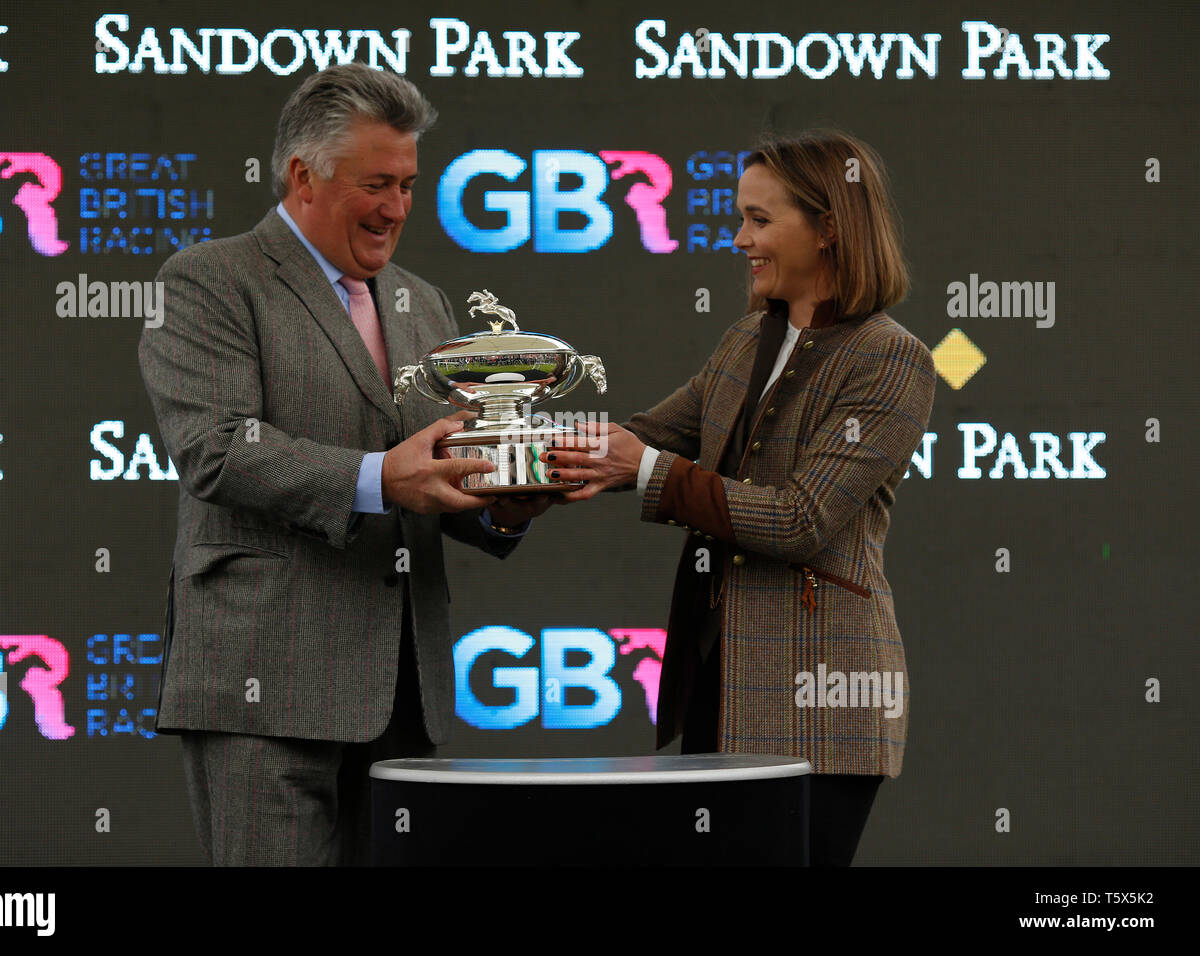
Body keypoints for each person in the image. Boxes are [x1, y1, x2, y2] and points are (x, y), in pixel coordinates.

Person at [137, 64, 552, 866]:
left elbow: (437, 466)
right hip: (267, 690)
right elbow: (216, 449)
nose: (397, 207)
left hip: (405, 693)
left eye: (408, 184)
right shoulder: (207, 281)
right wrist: (378, 478)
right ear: (303, 177)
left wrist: (504, 499)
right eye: (377, 184)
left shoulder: (420, 300)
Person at [542, 130, 936, 866]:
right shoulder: (745, 339)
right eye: (739, 218)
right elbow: (642, 435)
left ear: (828, 229)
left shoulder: (891, 357)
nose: (737, 239)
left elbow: (800, 519)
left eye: (759, 220)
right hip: (717, 686)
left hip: (824, 703)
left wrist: (649, 470)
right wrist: (515, 466)